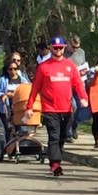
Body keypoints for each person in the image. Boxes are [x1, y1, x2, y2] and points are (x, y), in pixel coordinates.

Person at [25, 36, 88, 176]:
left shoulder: (70, 66)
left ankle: (54, 160)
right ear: (51, 48)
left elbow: (78, 84)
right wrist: (29, 107)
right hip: (50, 109)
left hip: (67, 109)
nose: (58, 50)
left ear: (64, 47)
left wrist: (83, 98)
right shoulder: (43, 67)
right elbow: (35, 88)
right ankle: (55, 164)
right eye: (55, 48)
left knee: (63, 136)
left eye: (61, 48)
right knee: (54, 136)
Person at [0, 58, 30, 143]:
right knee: (9, 128)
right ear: (7, 70)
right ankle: (9, 146)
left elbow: (27, 90)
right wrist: (3, 95)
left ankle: (20, 144)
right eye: (10, 69)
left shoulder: (23, 80)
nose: (13, 71)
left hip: (19, 109)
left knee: (21, 127)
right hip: (6, 109)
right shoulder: (3, 80)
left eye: (15, 69)